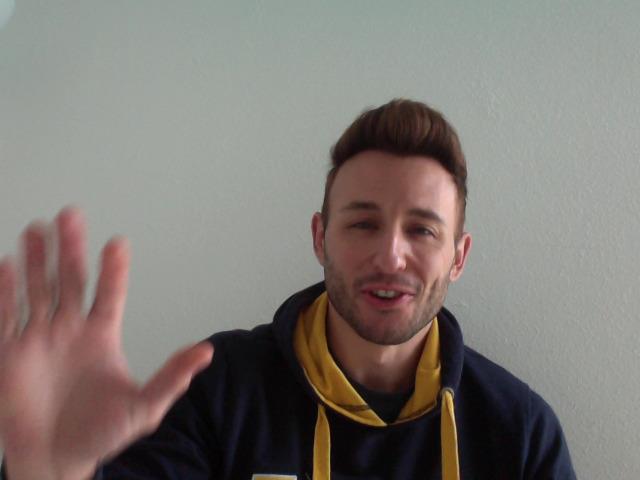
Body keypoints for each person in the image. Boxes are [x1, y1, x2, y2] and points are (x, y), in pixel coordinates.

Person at [0, 99, 576, 479]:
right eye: (363, 223)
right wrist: (50, 473)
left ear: (458, 257)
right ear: (320, 237)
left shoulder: (520, 432)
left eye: (422, 230)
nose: (389, 255)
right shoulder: (218, 389)